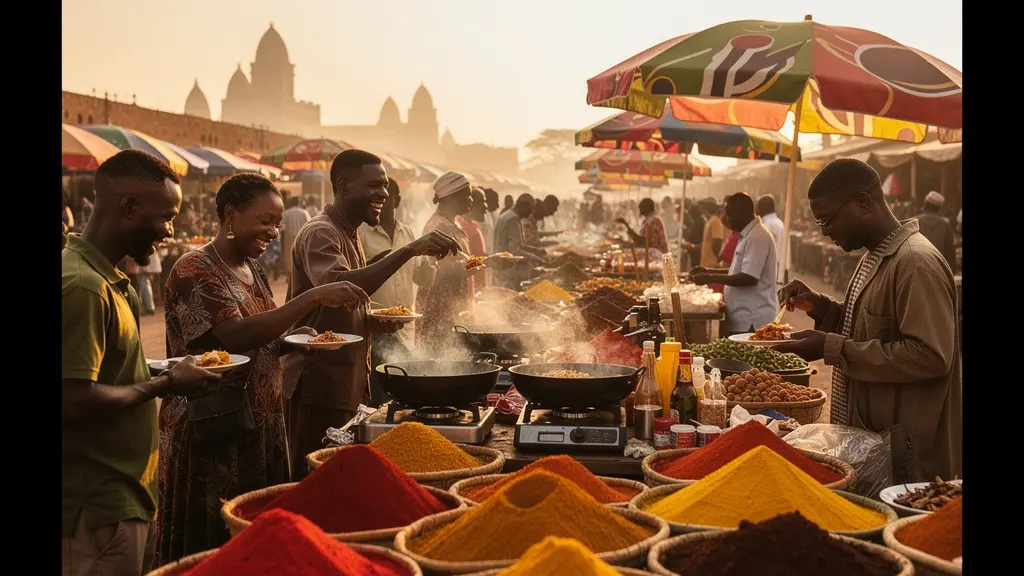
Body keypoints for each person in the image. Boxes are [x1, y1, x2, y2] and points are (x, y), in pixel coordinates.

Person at [157, 173, 367, 562]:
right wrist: (314, 296)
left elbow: (264, 333)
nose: (273, 232)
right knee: (214, 547)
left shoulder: (251, 267)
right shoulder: (194, 268)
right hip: (212, 429)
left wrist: (296, 340)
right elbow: (235, 336)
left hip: (260, 425)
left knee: (257, 540)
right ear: (231, 215)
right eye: (264, 221)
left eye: (277, 223)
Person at [62, 150, 221, 576]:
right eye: (167, 217)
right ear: (129, 207)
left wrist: (165, 368)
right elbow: (73, 400)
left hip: (127, 498)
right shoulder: (83, 287)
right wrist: (168, 384)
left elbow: (107, 370)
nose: (171, 231)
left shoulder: (112, 281)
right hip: (95, 510)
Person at [774, 159, 961, 482]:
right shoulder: (875, 257)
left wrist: (832, 348)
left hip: (908, 458)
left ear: (862, 203)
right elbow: (869, 328)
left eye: (828, 221)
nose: (825, 232)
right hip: (876, 444)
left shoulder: (915, 263)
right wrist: (820, 307)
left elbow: (930, 356)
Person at [285, 150, 461, 478]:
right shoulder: (320, 232)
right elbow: (338, 288)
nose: (383, 194)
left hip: (347, 382)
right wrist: (409, 250)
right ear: (343, 187)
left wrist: (373, 320)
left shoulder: (348, 232)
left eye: (385, 186)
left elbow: (348, 304)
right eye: (374, 186)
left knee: (341, 477)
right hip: (319, 385)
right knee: (317, 479)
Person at [358, 177, 430, 355]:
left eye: (384, 197)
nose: (379, 201)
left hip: (404, 327)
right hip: (375, 326)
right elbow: (355, 277)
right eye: (374, 197)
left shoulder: (408, 233)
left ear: (396, 201)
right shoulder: (360, 233)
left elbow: (421, 279)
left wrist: (432, 265)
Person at [416, 172, 488, 349]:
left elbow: (463, 262)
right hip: (441, 313)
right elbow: (444, 271)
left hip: (455, 311)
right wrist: (488, 262)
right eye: (467, 195)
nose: (471, 200)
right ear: (452, 196)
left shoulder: (454, 224)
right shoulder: (439, 226)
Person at [690, 193, 778, 337]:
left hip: (751, 319)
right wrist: (708, 271)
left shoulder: (756, 237)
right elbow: (737, 271)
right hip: (741, 317)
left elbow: (748, 277)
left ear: (740, 214)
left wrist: (710, 277)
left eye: (729, 215)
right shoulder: (747, 235)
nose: (726, 219)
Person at [493, 194, 545, 289]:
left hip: (500, 269)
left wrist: (536, 250)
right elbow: (514, 252)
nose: (531, 212)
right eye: (530, 209)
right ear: (522, 207)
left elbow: (518, 244)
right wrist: (535, 258)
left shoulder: (506, 215)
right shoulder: (513, 219)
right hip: (507, 273)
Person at [913, 191, 956, 271]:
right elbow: (950, 252)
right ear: (939, 208)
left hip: (917, 267)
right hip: (938, 269)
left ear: (925, 205)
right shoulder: (945, 224)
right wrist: (951, 272)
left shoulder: (914, 221)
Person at [756, 194, 786, 283]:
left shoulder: (766, 226)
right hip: (778, 271)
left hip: (767, 273)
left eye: (757, 207)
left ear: (762, 208)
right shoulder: (780, 223)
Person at [281, 196, 312, 283]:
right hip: (301, 237)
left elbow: (281, 225)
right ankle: (301, 276)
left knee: (289, 256)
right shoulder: (304, 212)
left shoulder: (286, 213)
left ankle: (289, 276)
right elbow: (309, 224)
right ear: (299, 203)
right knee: (301, 255)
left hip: (289, 237)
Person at [698, 197, 726, 268]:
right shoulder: (709, 221)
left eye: (702, 207)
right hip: (706, 265)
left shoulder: (716, 222)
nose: (700, 210)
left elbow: (717, 243)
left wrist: (717, 260)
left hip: (713, 265)